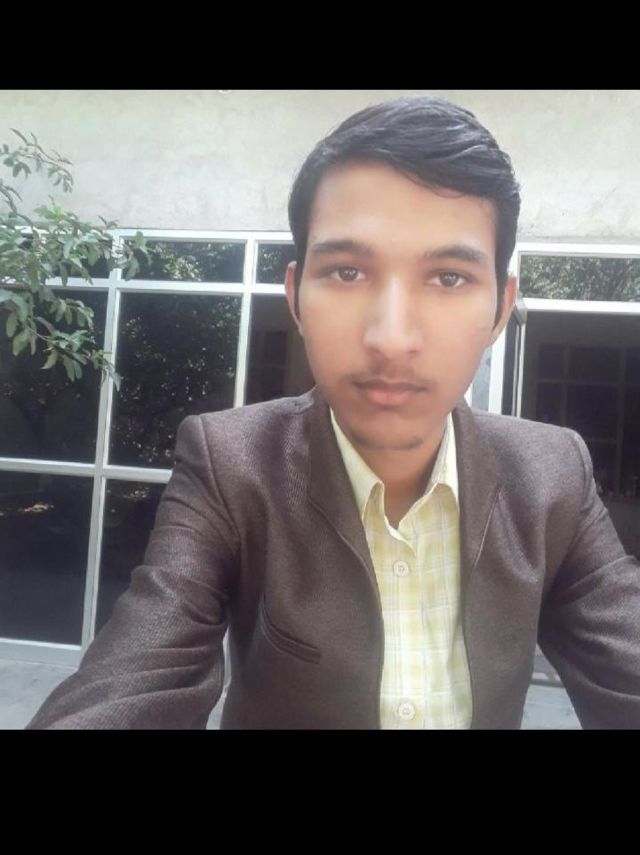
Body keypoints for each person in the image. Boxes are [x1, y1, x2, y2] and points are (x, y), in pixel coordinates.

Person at [27, 95, 640, 729]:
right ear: (295, 296)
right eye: (347, 272)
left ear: (500, 308)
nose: (391, 339)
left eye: (449, 277)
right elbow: (137, 675)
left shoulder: (552, 473)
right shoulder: (231, 464)